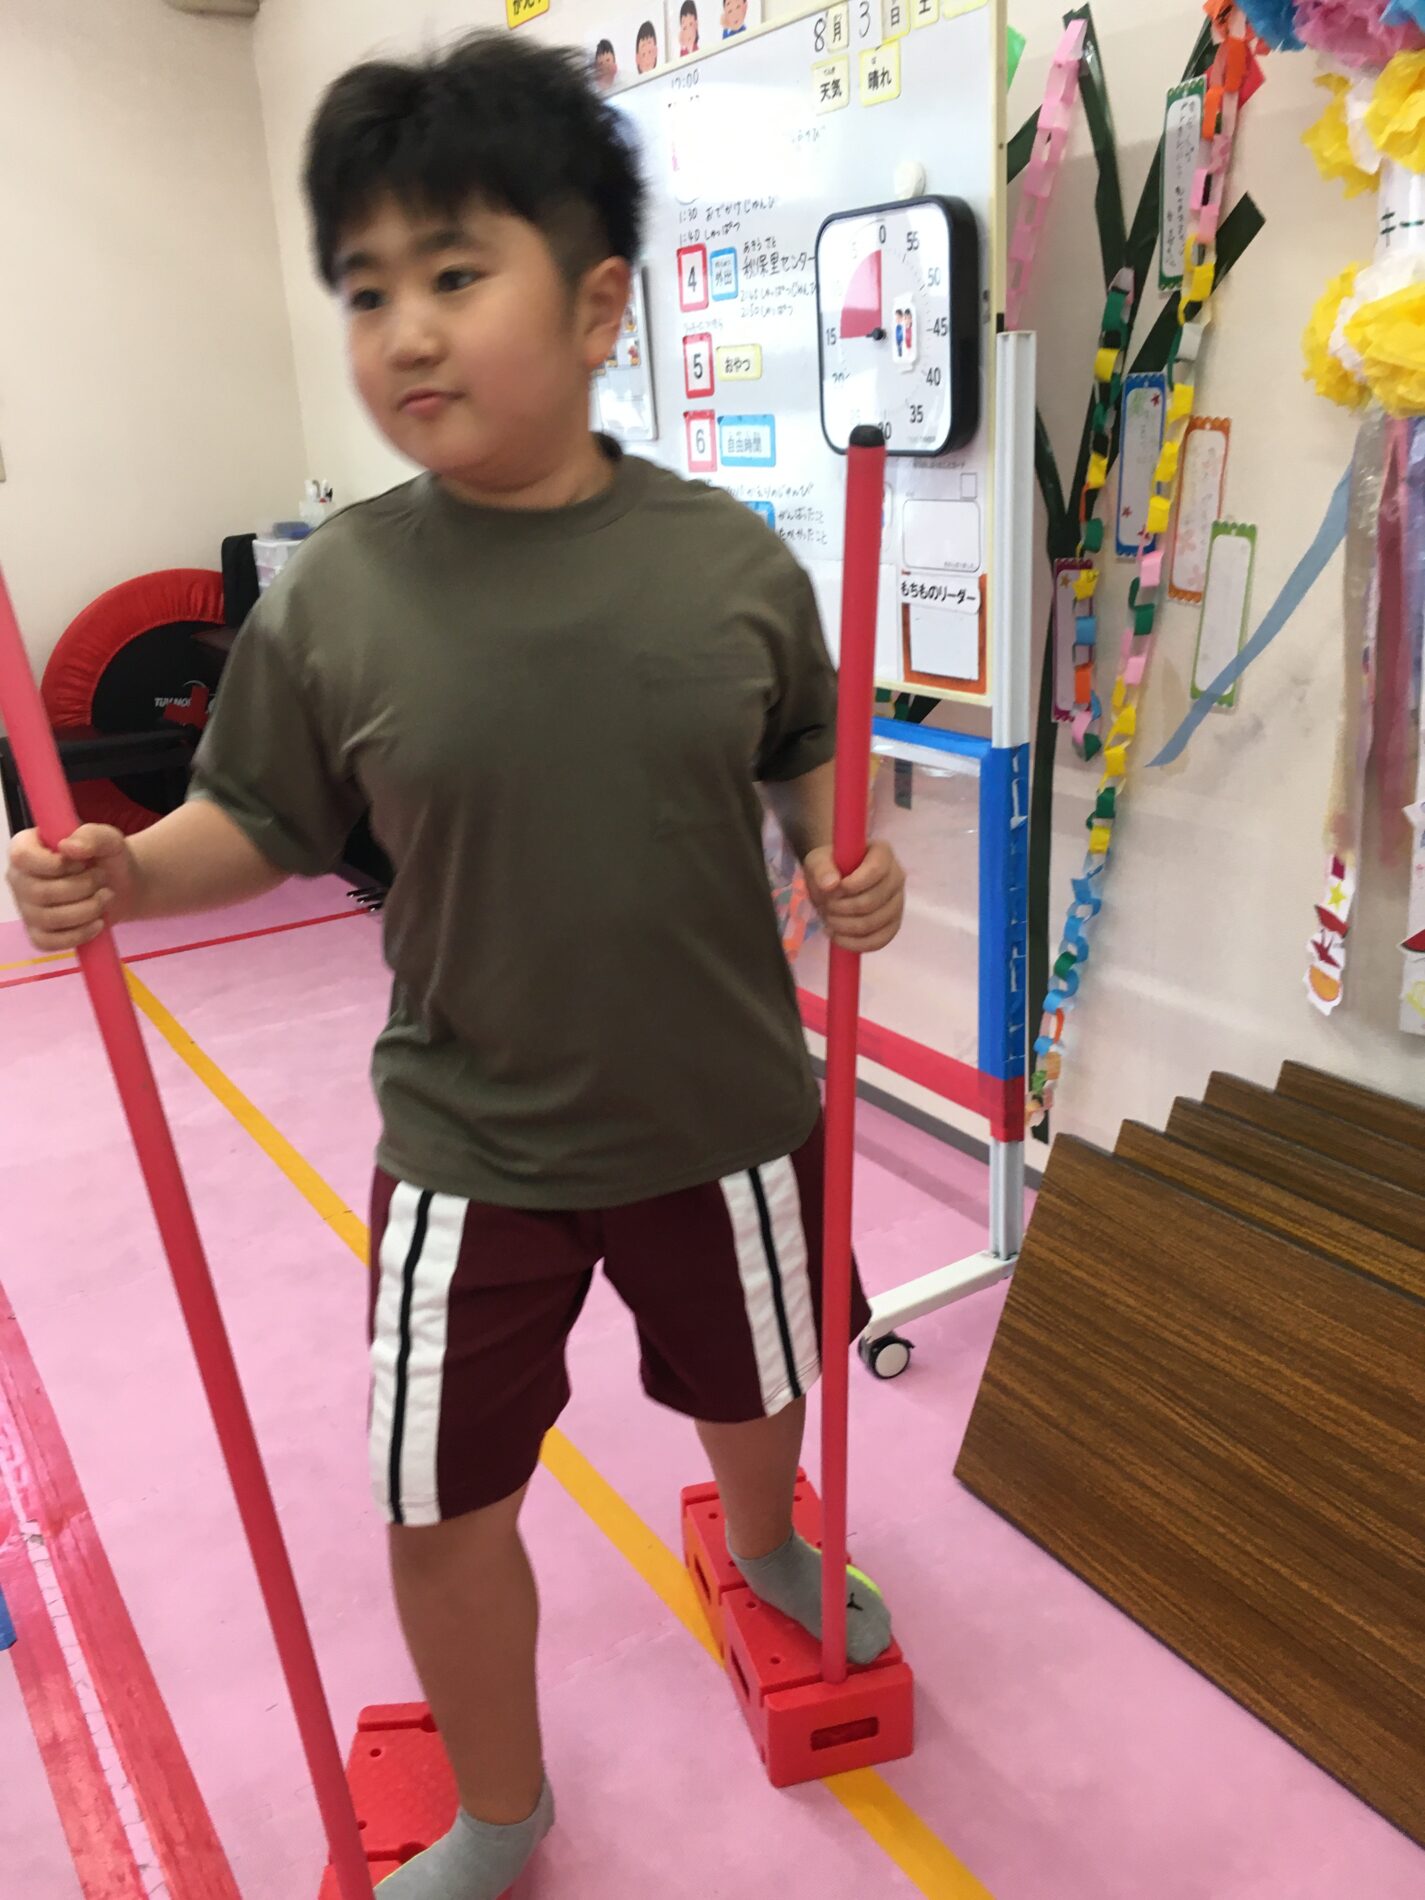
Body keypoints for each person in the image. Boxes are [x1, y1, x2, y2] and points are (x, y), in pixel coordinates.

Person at [6, 34, 906, 1900]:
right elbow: (256, 816)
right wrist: (130, 873)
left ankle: (761, 1536)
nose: (402, 331)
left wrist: (846, 850)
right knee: (437, 1498)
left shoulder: (731, 564)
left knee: (756, 1386)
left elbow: (810, 747)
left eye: (453, 273)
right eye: (364, 290)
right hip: (470, 1139)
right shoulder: (336, 595)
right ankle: (502, 1806)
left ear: (594, 306)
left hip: (722, 1111)